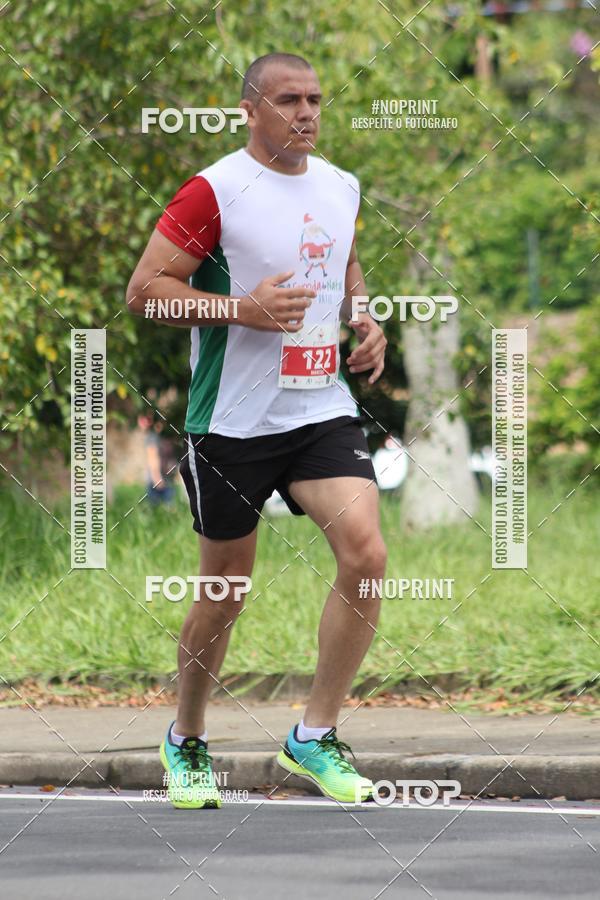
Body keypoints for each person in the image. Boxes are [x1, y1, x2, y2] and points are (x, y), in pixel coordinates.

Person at [126, 52, 387, 809]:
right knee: (224, 588)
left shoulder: (340, 184)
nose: (305, 112)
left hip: (318, 408)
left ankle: (314, 735)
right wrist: (239, 309)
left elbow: (344, 268)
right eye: (287, 100)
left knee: (366, 554)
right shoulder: (215, 191)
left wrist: (364, 320)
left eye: (314, 98)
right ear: (250, 109)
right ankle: (188, 738)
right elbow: (146, 293)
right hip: (231, 422)